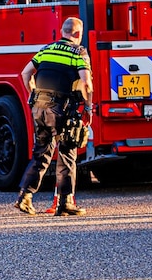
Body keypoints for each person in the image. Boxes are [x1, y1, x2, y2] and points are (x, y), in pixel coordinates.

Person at [13, 17, 93, 216]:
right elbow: (86, 83)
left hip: (39, 108)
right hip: (62, 109)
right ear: (77, 34)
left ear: (62, 31)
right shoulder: (79, 52)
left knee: (42, 153)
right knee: (67, 153)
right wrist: (89, 108)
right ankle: (65, 202)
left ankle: (25, 196)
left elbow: (25, 73)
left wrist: (33, 94)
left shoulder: (46, 49)